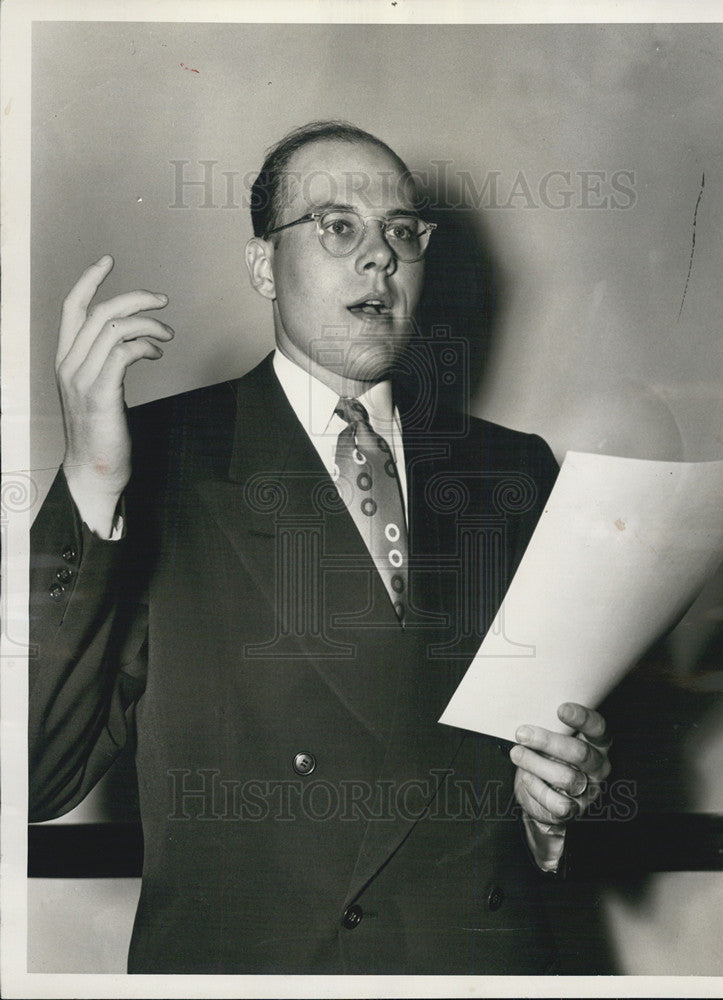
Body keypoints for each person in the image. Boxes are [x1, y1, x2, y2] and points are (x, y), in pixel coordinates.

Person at [29, 120, 611, 974]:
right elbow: (35, 773)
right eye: (338, 226)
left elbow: (540, 775)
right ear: (266, 264)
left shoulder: (512, 471)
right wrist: (87, 481)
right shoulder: (153, 463)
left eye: (401, 232)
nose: (380, 256)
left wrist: (561, 801)